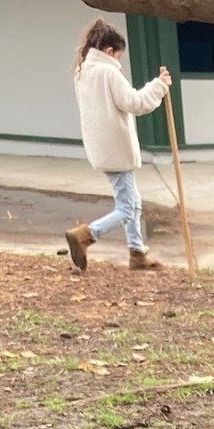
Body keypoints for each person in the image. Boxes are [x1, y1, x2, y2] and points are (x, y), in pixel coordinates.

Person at [65, 20, 172, 274]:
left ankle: (137, 252)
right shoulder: (108, 72)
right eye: (118, 56)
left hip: (102, 147)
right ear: (110, 51)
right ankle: (86, 235)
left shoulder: (83, 71)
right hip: (116, 148)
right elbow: (134, 102)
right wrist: (159, 86)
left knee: (133, 201)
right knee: (126, 208)